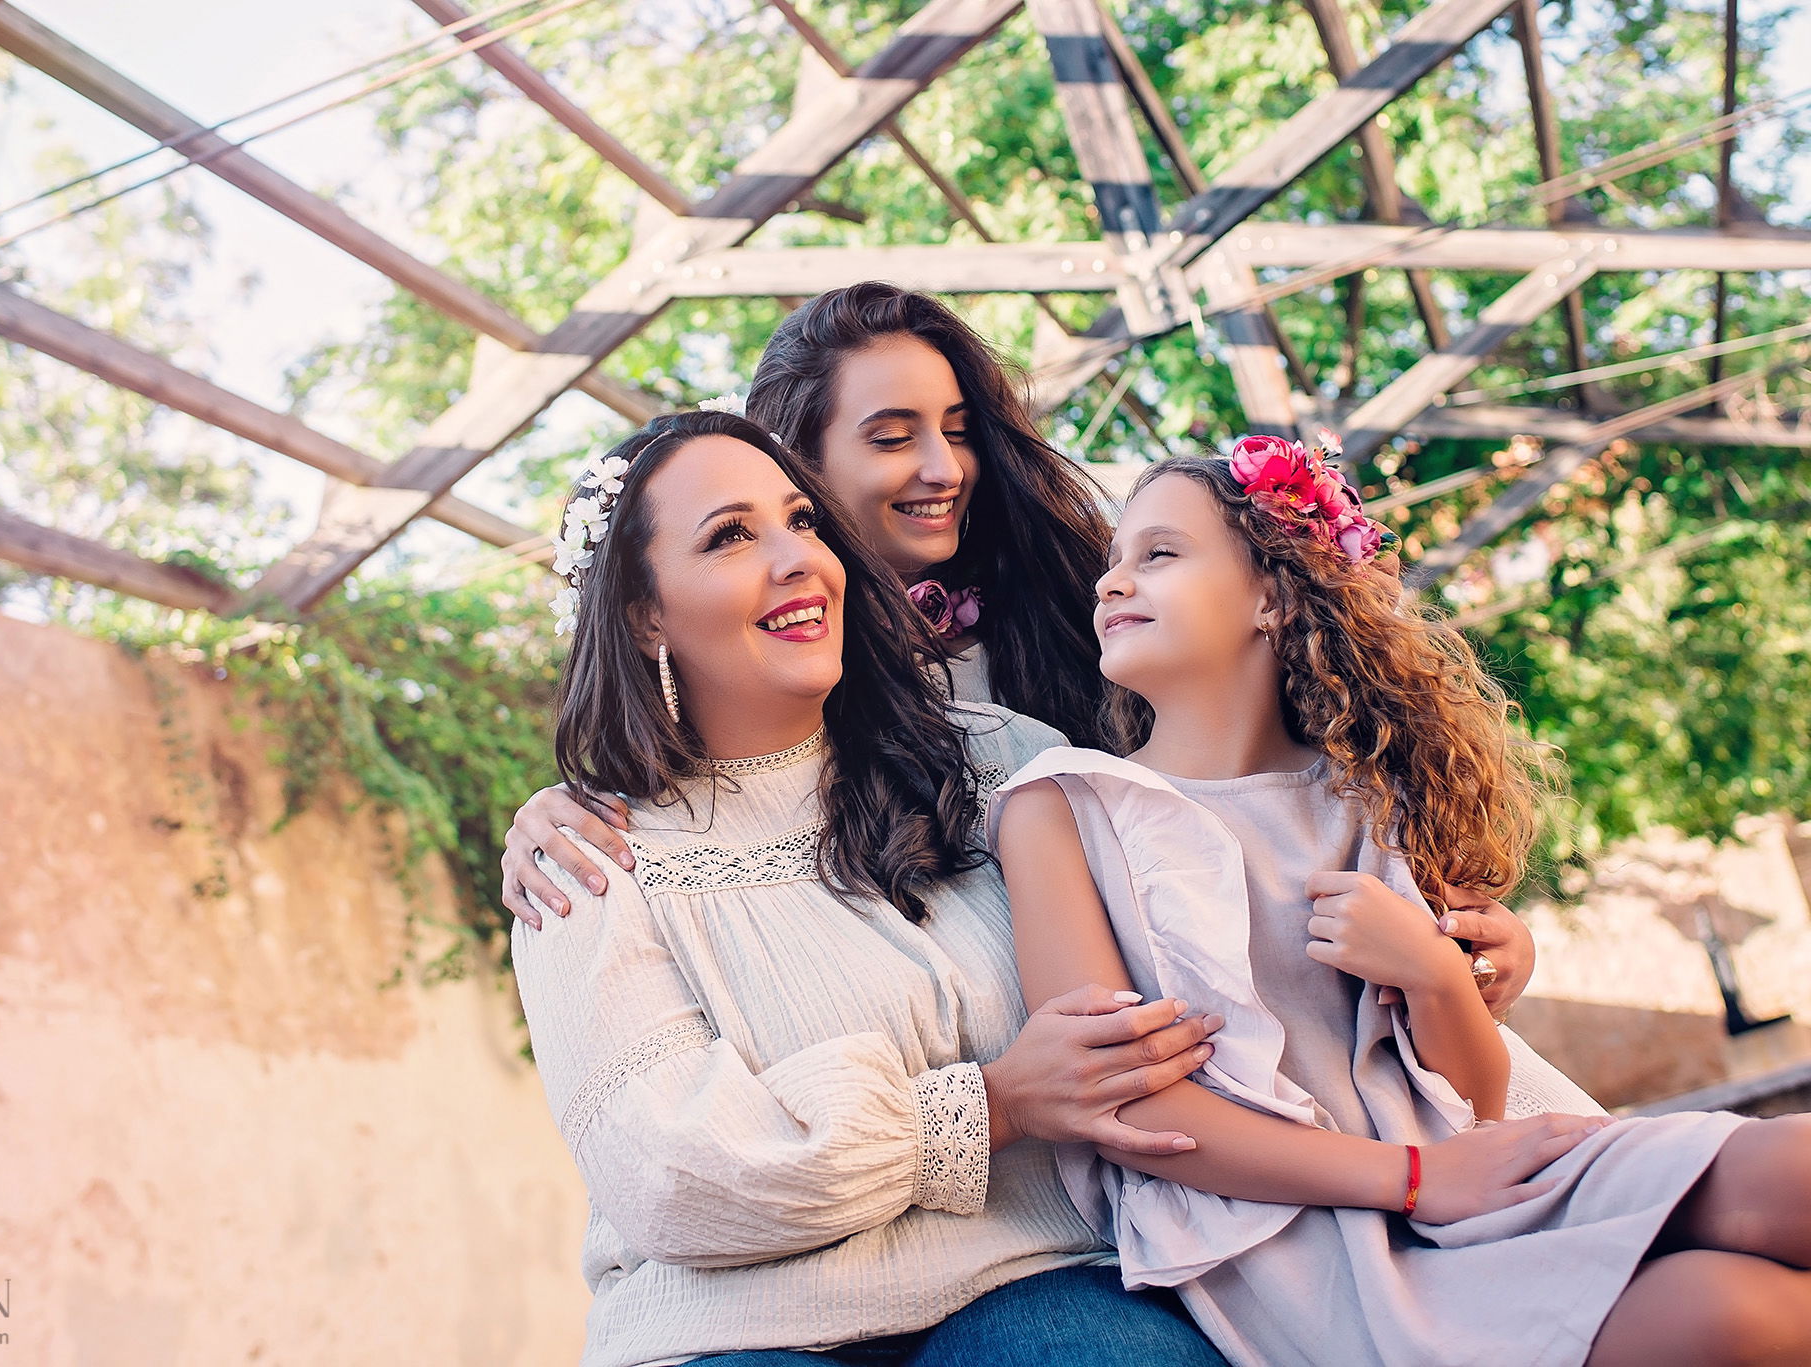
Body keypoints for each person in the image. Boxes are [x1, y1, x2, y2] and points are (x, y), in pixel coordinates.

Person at [511, 411, 1585, 1367]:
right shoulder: (589, 857)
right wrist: (995, 1102)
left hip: (1034, 1270)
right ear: (644, 613)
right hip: (728, 1323)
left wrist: (1463, 965)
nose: (797, 557)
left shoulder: (1003, 761)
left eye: (798, 518)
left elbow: (1254, 944)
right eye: (729, 536)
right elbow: (670, 1177)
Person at [503, 284, 1548, 1095]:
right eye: (888, 435)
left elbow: (1293, 781)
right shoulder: (769, 682)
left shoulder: (1078, 610)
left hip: (1300, 1042)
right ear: (794, 464)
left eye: (956, 427)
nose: (940, 465)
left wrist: (1465, 936)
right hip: (1157, 1105)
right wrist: (556, 810)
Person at [989, 440, 1811, 1367]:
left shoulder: (1374, 793)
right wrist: (1415, 1177)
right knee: (1739, 1317)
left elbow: (1473, 1095)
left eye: (1159, 554)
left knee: (1795, 1171)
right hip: (1304, 1234)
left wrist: (1433, 974)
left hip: (1475, 1167)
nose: (1112, 582)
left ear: (1274, 595)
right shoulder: (1061, 807)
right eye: (1114, 560)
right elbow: (1130, 1111)